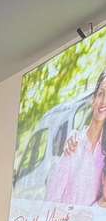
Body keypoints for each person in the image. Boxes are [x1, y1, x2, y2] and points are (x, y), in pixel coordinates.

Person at [45, 71, 106, 206]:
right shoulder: (74, 143)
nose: (104, 101)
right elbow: (51, 198)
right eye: (101, 93)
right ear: (93, 99)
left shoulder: (104, 153)